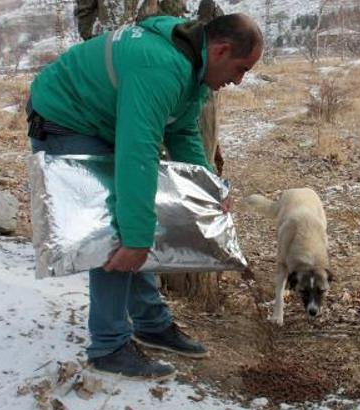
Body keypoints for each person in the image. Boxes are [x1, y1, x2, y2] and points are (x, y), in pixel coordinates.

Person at [27, 14, 263, 381]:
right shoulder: (161, 67)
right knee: (115, 232)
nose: (238, 80)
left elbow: (181, 130)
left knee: (136, 216)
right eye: (241, 69)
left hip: (103, 116)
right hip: (67, 116)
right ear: (221, 50)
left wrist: (210, 189)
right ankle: (108, 346)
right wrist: (136, 239)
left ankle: (151, 323)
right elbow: (137, 154)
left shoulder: (191, 66)